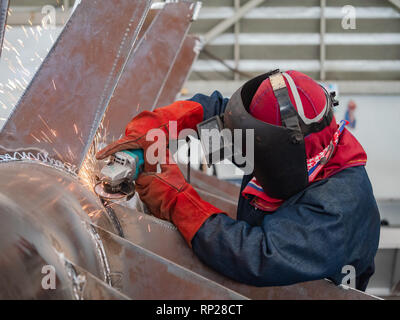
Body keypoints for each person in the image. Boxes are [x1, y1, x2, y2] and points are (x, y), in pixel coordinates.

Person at [96, 70, 380, 291]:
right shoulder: (282, 140)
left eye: (253, 147)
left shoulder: (338, 207)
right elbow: (219, 115)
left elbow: (258, 255)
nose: (242, 152)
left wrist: (176, 200)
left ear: (281, 150)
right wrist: (159, 126)